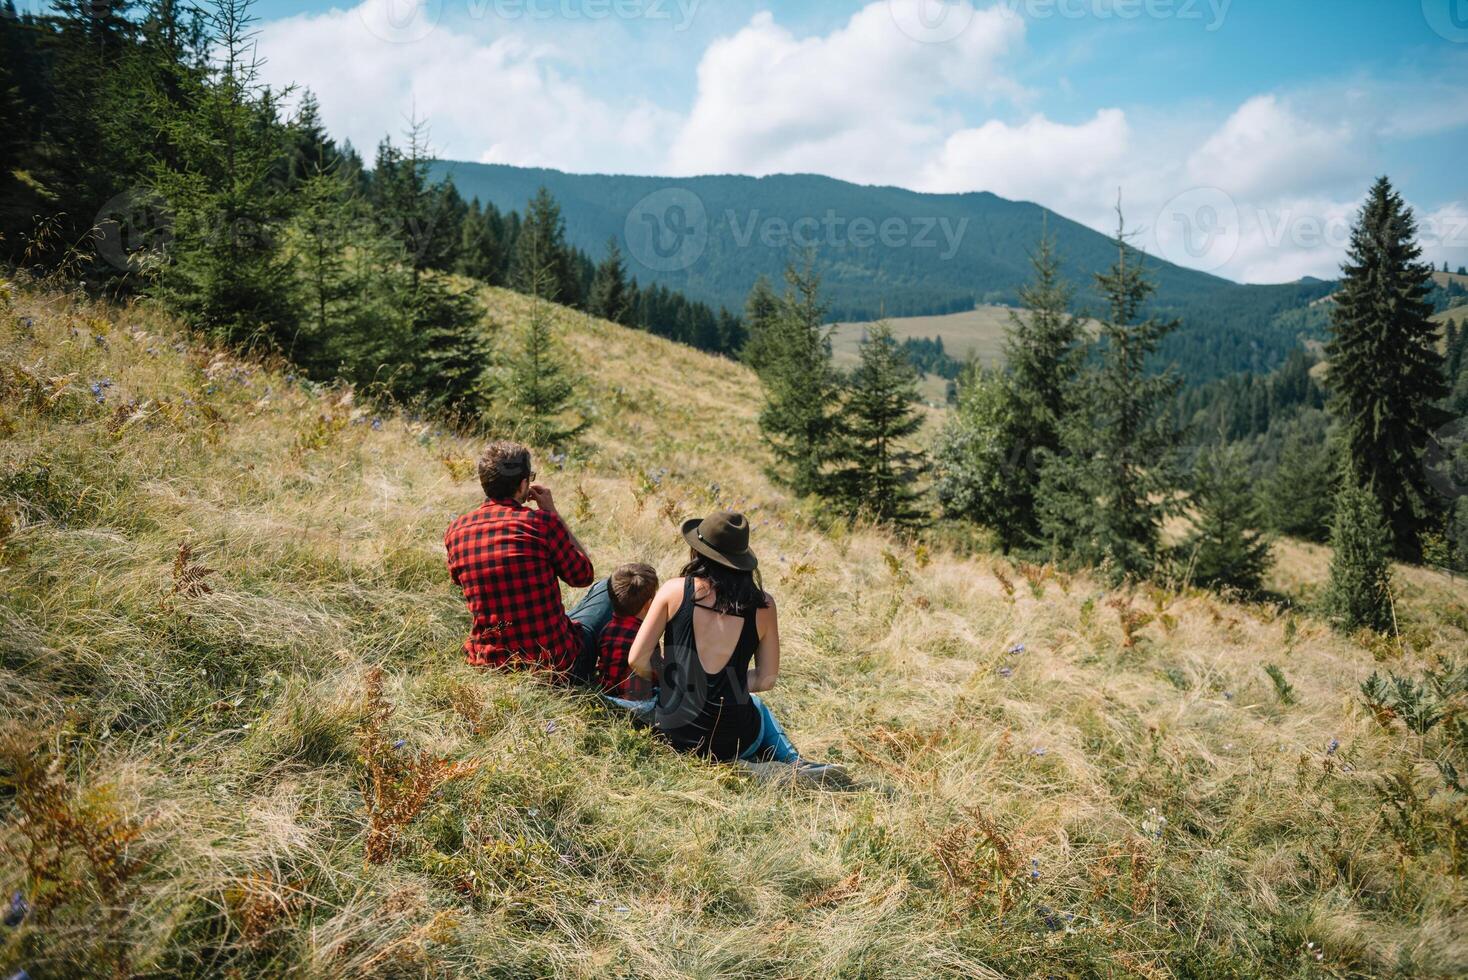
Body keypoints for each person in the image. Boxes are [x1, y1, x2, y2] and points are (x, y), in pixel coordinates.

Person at [628, 510, 831, 773]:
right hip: (734, 740)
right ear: (742, 560)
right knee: (756, 705)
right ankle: (794, 764)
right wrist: (726, 685)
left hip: (675, 733)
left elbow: (636, 659)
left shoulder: (674, 590)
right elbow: (766, 679)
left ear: (699, 551)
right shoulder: (764, 605)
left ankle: (779, 767)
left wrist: (676, 679)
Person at [444, 441, 601, 678]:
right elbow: (583, 575)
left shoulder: (456, 530)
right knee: (608, 591)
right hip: (555, 663)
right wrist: (552, 513)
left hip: (491, 663)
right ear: (523, 484)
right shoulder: (541, 523)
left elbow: (459, 580)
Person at [595, 563, 660, 699]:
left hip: (606, 695)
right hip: (636, 701)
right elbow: (655, 673)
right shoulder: (645, 636)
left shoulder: (606, 629)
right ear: (649, 604)